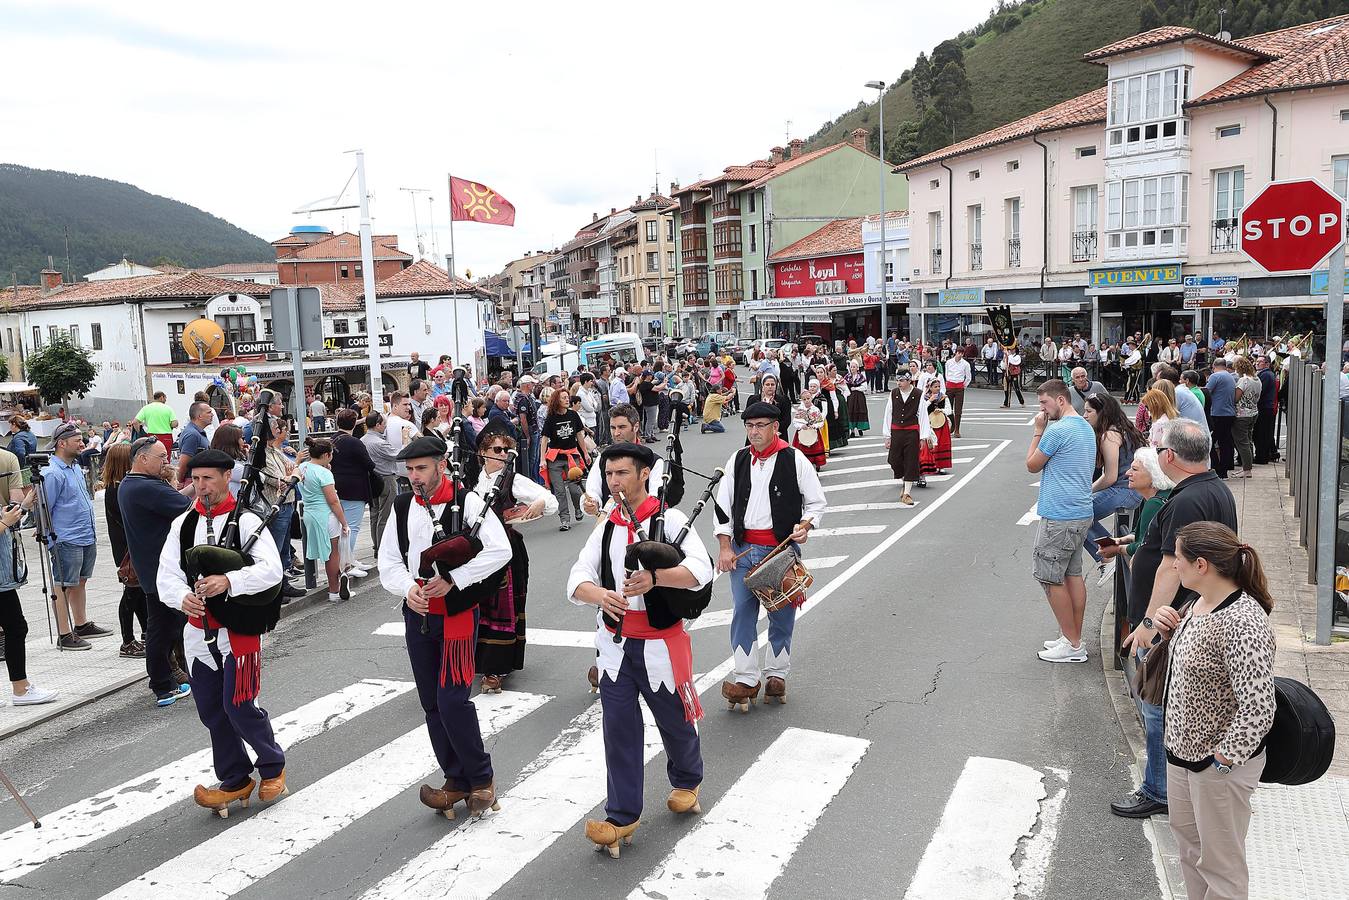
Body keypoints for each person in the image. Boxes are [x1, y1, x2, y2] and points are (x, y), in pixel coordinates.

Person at [569, 442, 712, 855]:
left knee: (674, 721)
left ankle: (687, 779)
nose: (614, 482)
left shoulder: (671, 519)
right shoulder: (607, 525)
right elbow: (578, 574)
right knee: (618, 729)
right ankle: (621, 815)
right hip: (614, 647)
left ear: (644, 474)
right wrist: (598, 595)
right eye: (609, 475)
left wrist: (656, 579)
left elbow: (699, 573)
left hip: (658, 645)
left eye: (622, 474)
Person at [378, 434, 512, 820]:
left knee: (453, 700)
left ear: (440, 465)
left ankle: (482, 779)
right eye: (409, 470)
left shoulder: (467, 502)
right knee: (431, 703)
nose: (415, 477)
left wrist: (456, 579)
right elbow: (389, 562)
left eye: (421, 468)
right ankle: (455, 780)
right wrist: (408, 589)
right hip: (417, 615)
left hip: (455, 615)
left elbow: (499, 551)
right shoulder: (403, 507)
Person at [1113, 418, 1237, 820]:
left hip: (1173, 619)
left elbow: (1170, 567)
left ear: (1169, 456)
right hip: (1193, 613)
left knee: (1155, 705)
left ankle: (1159, 789)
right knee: (1169, 707)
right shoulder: (1216, 489)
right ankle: (1170, 786)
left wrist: (1147, 626)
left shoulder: (1185, 500)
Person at [156, 449, 287, 817]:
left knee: (240, 705)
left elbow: (271, 571)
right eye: (195, 479)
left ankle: (273, 766)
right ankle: (235, 778)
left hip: (238, 631)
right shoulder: (182, 524)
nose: (201, 487)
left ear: (227, 476)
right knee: (212, 711)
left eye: (208, 479)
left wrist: (228, 580)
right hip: (197, 633)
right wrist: (182, 597)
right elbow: (165, 574)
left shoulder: (246, 521)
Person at [1150, 522, 1275, 900]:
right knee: (1190, 853)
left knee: (1221, 866)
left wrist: (1222, 761)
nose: (1174, 566)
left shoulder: (1243, 621)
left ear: (1201, 565)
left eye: (1179, 558)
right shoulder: (1198, 604)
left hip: (1215, 764)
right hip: (1183, 757)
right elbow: (1197, 666)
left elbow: (1258, 706)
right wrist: (1169, 630)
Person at [714, 402, 827, 709]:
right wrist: (725, 547)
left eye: (761, 425)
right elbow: (723, 508)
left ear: (776, 427)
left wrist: (805, 526)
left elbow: (816, 503)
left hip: (779, 552)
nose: (754, 432)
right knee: (742, 613)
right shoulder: (738, 459)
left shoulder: (794, 459)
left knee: (781, 614)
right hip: (742, 550)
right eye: (750, 426)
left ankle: (776, 675)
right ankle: (746, 679)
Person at [472, 424, 556, 693]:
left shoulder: (513, 480)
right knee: (477, 606)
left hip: (506, 552)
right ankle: (476, 659)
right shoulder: (471, 479)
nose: (503, 454)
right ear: (483, 453)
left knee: (502, 610)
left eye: (507, 450)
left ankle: (496, 668)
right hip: (477, 551)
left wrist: (540, 503)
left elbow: (548, 498)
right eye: (497, 450)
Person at [1025, 379, 1097, 664]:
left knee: (1049, 576)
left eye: (1044, 403)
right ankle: (1072, 637)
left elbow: (1032, 464)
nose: (1042, 409)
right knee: (1072, 575)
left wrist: (1037, 432)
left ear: (1061, 400)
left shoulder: (1057, 431)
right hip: (1080, 510)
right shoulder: (1085, 427)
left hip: (1060, 514)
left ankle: (1073, 643)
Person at [119, 436, 194, 706]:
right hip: (160, 569)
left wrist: (195, 486)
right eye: (161, 457)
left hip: (153, 567)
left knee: (166, 626)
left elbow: (175, 500)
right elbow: (188, 509)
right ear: (142, 458)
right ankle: (162, 685)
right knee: (164, 628)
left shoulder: (133, 484)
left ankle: (169, 681)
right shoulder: (145, 487)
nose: (166, 461)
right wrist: (204, 488)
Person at [40, 423, 108, 650]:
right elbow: (44, 508)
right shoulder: (52, 472)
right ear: (62, 443)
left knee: (80, 581)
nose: (83, 444)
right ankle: (64, 633)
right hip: (65, 537)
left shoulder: (75, 467)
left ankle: (81, 624)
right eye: (77, 440)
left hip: (84, 534)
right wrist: (49, 538)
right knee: (63, 585)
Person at [0, 444, 56, 707]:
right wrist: (5, 523)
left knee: (15, 626)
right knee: (16, 626)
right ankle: (20, 689)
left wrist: (22, 506)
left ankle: (21, 687)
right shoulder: (7, 459)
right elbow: (4, 523)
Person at [1081, 393, 1144, 583]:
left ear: (1102, 413)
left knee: (1076, 512)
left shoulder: (1109, 435)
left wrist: (1087, 491)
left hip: (1124, 491)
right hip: (1132, 489)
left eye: (1089, 411)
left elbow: (1109, 477)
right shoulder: (1123, 428)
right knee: (1079, 513)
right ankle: (1111, 553)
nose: (1085, 415)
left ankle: (1107, 557)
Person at [103, 442, 148, 659]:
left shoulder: (120, 486)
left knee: (138, 593)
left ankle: (145, 633)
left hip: (128, 546)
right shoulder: (116, 489)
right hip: (125, 549)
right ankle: (127, 640)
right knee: (131, 594)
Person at [298, 438, 351, 603]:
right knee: (332, 553)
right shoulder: (324, 473)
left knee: (323, 551)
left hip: (309, 513)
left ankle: (332, 588)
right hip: (326, 515)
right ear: (327, 454)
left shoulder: (302, 467)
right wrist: (344, 522)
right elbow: (333, 501)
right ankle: (334, 591)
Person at [258, 417, 304, 599]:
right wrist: (291, 474)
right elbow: (279, 479)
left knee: (285, 548)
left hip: (287, 502)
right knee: (275, 548)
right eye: (275, 427)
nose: (278, 430)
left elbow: (293, 470)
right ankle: (275, 588)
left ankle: (283, 583)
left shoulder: (275, 450)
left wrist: (292, 472)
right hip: (276, 504)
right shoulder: (263, 454)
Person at [331, 409, 374, 573]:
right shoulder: (354, 442)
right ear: (354, 422)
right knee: (352, 527)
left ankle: (349, 559)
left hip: (335, 487)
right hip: (355, 488)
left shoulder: (332, 439)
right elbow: (369, 464)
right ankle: (346, 565)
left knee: (340, 527)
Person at [883, 371, 935, 507]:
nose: (898, 383)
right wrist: (887, 435)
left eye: (901, 381)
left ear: (909, 381)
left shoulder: (918, 394)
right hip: (896, 431)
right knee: (894, 460)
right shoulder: (893, 393)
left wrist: (924, 437)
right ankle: (904, 480)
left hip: (912, 432)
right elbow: (888, 413)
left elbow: (923, 416)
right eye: (897, 380)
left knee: (911, 462)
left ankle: (906, 493)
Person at [539, 386, 586, 531]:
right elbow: (544, 439)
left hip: (572, 456)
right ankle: (564, 519)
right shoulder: (551, 418)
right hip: (555, 459)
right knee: (559, 491)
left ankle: (578, 508)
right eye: (564, 398)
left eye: (567, 398)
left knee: (575, 489)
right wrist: (542, 460)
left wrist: (585, 453)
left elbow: (579, 435)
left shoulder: (573, 415)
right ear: (556, 401)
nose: (567, 400)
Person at [361, 412, 400, 553]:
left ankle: (376, 545)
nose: (385, 426)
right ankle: (382, 547)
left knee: (374, 514)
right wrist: (406, 439)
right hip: (386, 478)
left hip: (370, 479)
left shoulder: (363, 440)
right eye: (384, 424)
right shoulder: (380, 443)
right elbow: (399, 455)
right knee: (385, 515)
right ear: (377, 425)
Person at [1206, 358, 1237, 479]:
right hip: (1229, 413)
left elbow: (1207, 392)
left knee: (1210, 442)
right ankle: (1225, 469)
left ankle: (1216, 468)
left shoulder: (1215, 376)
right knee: (1225, 442)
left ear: (1214, 366)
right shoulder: (1229, 376)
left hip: (1218, 413)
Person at [1232, 355, 1261, 479]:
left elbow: (1236, 398)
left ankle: (1247, 469)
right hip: (1253, 411)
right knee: (1248, 440)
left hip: (1242, 414)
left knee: (1242, 443)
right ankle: (1247, 467)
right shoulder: (1257, 379)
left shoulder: (1243, 381)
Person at [175, 400, 213, 483]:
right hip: (193, 482)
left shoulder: (196, 432)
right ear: (199, 416)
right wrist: (179, 482)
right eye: (209, 412)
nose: (212, 415)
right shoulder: (192, 435)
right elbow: (183, 464)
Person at [746, 373, 792, 439]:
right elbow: (747, 419)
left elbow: (786, 420)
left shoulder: (784, 400)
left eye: (772, 384)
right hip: (756, 434)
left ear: (776, 386)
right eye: (767, 384)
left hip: (778, 435)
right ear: (763, 386)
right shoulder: (753, 399)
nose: (770, 387)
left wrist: (772, 431)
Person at [1254, 355, 1280, 464]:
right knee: (1263, 433)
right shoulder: (1266, 374)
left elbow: (1260, 391)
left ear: (1267, 364)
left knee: (1262, 433)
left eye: (1260, 362)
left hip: (1264, 407)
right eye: (1257, 361)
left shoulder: (1265, 375)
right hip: (1266, 407)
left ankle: (1262, 456)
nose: (1257, 363)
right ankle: (1267, 454)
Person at [209, 424, 247, 497]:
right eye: (242, 438)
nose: (244, 441)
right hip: (236, 506)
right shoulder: (233, 466)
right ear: (232, 442)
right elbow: (260, 477)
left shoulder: (217, 461)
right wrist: (250, 458)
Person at [942, 348, 972, 437]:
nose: (960, 355)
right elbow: (946, 374)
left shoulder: (966, 364)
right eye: (958, 353)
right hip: (950, 386)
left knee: (958, 410)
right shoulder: (949, 362)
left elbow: (968, 377)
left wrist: (963, 385)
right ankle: (951, 426)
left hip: (959, 387)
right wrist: (948, 383)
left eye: (961, 353)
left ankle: (957, 430)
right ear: (955, 353)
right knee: (948, 408)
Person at [844, 363, 870, 436]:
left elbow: (865, 387)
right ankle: (852, 430)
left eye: (854, 367)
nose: (852, 368)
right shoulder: (847, 377)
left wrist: (856, 388)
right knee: (851, 412)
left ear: (857, 368)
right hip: (850, 396)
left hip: (859, 396)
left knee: (860, 411)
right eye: (851, 367)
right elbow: (844, 386)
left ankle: (860, 428)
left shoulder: (861, 376)